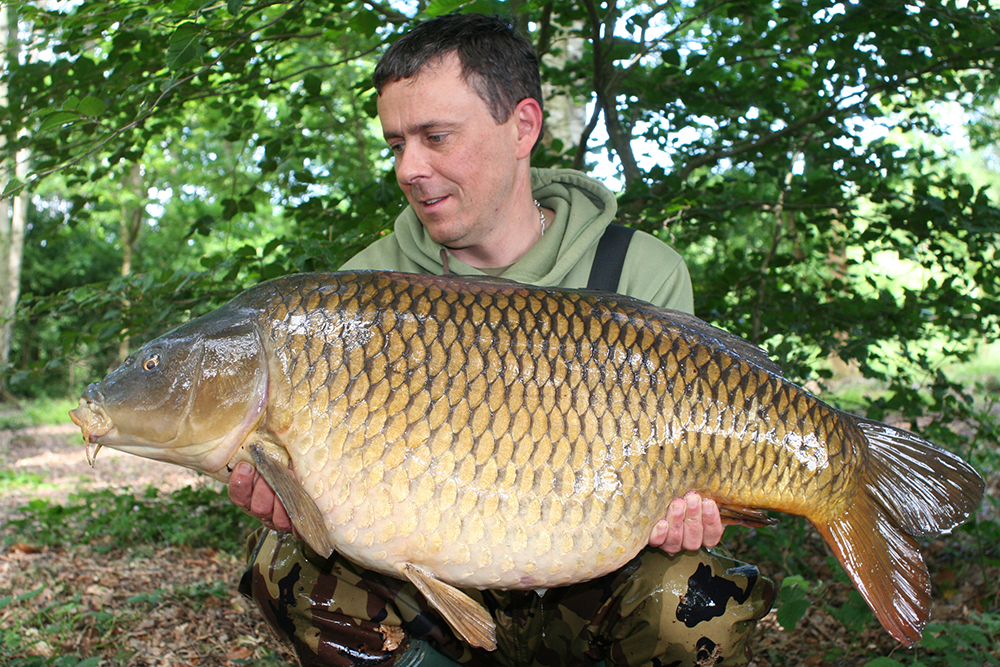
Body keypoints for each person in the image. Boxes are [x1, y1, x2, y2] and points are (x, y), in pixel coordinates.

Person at [229, 13, 774, 667]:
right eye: (396, 143)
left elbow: (684, 459)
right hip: (432, 600)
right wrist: (287, 487)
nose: (411, 167)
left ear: (523, 126)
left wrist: (690, 505)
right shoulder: (359, 296)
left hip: (591, 584)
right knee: (284, 564)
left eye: (435, 137)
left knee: (695, 600)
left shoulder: (637, 270)